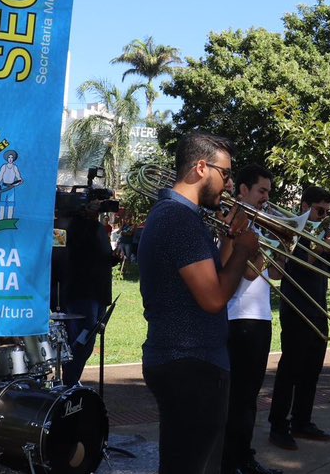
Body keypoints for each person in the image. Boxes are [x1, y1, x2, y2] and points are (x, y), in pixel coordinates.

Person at [138, 132, 259, 474]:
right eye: (225, 173)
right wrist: (246, 250)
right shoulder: (178, 219)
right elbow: (214, 298)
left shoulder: (181, 216)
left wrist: (232, 240)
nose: (230, 183)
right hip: (190, 364)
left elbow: (213, 278)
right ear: (201, 167)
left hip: (188, 362)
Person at [221, 164, 282, 474]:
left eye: (268, 192)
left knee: (249, 397)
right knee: (240, 398)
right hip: (241, 319)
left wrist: (283, 240)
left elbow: (275, 272)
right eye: (261, 191)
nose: (266, 198)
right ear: (243, 190)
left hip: (260, 318)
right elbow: (247, 270)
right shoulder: (232, 221)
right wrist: (265, 243)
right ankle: (234, 461)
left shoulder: (257, 225)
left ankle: (242, 455)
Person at [268, 185, 330, 450]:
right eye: (320, 210)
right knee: (290, 371)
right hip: (296, 309)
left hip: (318, 308)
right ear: (304, 206)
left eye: (327, 212)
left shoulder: (323, 232)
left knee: (312, 370)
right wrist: (320, 248)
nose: (324, 216)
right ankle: (278, 425)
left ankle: (302, 421)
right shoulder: (291, 232)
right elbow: (293, 264)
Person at [61, 199, 117, 385]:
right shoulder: (76, 227)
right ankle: (70, 380)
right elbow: (76, 251)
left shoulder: (98, 229)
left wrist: (114, 258)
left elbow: (100, 256)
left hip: (99, 292)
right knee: (80, 339)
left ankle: (72, 379)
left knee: (89, 338)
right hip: (82, 292)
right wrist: (84, 215)